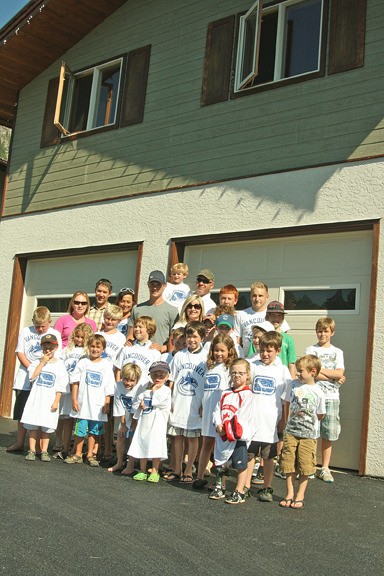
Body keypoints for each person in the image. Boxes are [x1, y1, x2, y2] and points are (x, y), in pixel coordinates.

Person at [7, 306, 62, 453]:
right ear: (33, 321)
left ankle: (37, 446)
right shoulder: (26, 331)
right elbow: (20, 352)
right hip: (25, 378)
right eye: (37, 326)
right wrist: (33, 368)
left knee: (41, 410)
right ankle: (19, 442)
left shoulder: (54, 333)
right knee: (23, 412)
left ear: (50, 322)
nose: (39, 329)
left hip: (45, 381)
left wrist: (42, 369)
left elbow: (58, 357)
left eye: (43, 326)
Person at [245, 332, 291, 502]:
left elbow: (286, 399)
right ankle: (246, 485)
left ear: (278, 351)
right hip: (252, 420)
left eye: (269, 351)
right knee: (249, 455)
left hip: (271, 421)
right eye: (262, 350)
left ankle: (267, 486)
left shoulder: (282, 370)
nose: (264, 354)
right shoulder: (252, 365)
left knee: (268, 457)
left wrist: (284, 420)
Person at [279, 355, 326, 509]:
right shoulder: (292, 385)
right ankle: (290, 493)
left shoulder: (318, 392)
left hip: (308, 435)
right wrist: (285, 423)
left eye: (301, 371)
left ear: (313, 372)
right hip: (291, 432)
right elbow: (286, 404)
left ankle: (300, 494)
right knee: (288, 463)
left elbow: (320, 414)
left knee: (305, 465)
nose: (298, 374)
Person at [193, 334, 237, 490]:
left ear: (230, 351)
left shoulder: (229, 368)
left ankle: (221, 482)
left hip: (221, 414)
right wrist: (201, 404)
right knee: (206, 445)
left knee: (220, 448)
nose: (219, 354)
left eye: (222, 351)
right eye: (216, 350)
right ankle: (199, 476)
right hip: (208, 411)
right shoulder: (209, 367)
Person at [165, 321, 208, 483]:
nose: (192, 340)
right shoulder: (179, 356)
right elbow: (172, 380)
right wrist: (169, 399)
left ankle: (189, 468)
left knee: (192, 437)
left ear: (202, 337)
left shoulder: (205, 358)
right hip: (179, 401)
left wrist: (204, 404)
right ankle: (177, 468)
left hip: (196, 403)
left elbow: (207, 384)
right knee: (177, 437)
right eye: (189, 336)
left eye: (195, 336)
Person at [305, 317, 345, 483]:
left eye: (326, 331)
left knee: (328, 433)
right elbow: (311, 372)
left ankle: (325, 467)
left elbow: (340, 372)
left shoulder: (338, 352)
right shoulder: (311, 350)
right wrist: (332, 376)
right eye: (320, 331)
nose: (322, 334)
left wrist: (329, 374)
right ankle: (310, 466)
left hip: (331, 398)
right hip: (314, 396)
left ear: (332, 333)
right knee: (311, 431)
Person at [64, 334, 115, 466]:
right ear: (88, 347)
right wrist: (74, 400)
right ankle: (78, 454)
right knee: (80, 430)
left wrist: (107, 402)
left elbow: (109, 386)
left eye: (98, 347)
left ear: (103, 349)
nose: (95, 349)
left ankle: (91, 454)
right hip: (83, 404)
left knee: (94, 431)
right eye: (92, 346)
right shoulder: (83, 362)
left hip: (98, 405)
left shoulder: (106, 365)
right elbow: (75, 382)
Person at [210, 358, 254, 504]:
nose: (237, 376)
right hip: (222, 435)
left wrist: (228, 430)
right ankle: (220, 486)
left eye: (241, 373)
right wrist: (218, 424)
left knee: (240, 464)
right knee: (220, 461)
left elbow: (242, 416)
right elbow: (217, 410)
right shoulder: (225, 393)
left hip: (237, 437)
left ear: (247, 375)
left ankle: (239, 490)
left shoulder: (248, 395)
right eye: (234, 373)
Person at [21, 334, 69, 462]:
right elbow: (32, 376)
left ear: (56, 347)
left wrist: (56, 402)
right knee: (33, 425)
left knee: (47, 427)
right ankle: (31, 450)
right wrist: (42, 362)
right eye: (45, 347)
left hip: (50, 400)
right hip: (36, 399)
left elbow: (61, 385)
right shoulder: (36, 362)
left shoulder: (60, 365)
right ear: (41, 347)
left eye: (51, 347)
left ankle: (44, 451)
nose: (48, 350)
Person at [128, 361, 172, 482]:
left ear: (167, 377)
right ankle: (142, 470)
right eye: (154, 375)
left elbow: (159, 402)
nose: (158, 378)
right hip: (144, 423)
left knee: (156, 446)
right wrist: (140, 406)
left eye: (161, 375)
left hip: (157, 424)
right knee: (142, 444)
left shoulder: (166, 390)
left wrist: (154, 390)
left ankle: (154, 470)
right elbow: (136, 404)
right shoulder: (145, 390)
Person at [56, 322, 94, 458]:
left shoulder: (88, 352)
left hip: (78, 389)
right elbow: (59, 365)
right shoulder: (67, 350)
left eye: (82, 338)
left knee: (73, 419)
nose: (79, 340)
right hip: (65, 387)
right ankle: (60, 443)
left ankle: (70, 446)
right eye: (77, 337)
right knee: (63, 417)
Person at [127, 271, 178, 353]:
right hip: (138, 355)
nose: (155, 288)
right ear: (148, 285)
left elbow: (175, 339)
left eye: (158, 284)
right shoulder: (137, 308)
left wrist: (162, 348)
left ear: (164, 286)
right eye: (152, 284)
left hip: (160, 357)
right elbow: (130, 335)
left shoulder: (172, 311)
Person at [108, 362, 144, 474]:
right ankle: (119, 462)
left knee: (133, 438)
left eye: (132, 380)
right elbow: (118, 406)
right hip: (125, 413)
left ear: (137, 379)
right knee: (121, 436)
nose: (128, 383)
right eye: (125, 379)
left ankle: (130, 464)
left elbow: (136, 408)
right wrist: (123, 425)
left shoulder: (140, 388)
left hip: (138, 416)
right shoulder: (118, 385)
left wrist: (133, 426)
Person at [234, 281, 286, 355]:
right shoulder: (241, 315)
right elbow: (237, 341)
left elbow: (282, 337)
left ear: (267, 296)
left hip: (268, 357)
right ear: (250, 296)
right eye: (254, 295)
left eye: (260, 296)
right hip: (247, 358)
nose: (257, 299)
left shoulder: (273, 314)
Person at [114, 316, 161, 385]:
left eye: (140, 327)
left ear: (149, 329)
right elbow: (118, 369)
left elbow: (155, 375)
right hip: (124, 389)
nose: (136, 329)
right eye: (135, 326)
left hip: (142, 390)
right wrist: (118, 386)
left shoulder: (155, 352)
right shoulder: (127, 347)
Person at [265, 301, 297, 378]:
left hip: (282, 377)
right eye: (272, 315)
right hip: (264, 374)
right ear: (267, 317)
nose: (276, 318)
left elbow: (291, 363)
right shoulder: (261, 337)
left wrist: (292, 383)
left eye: (279, 316)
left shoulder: (288, 339)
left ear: (283, 318)